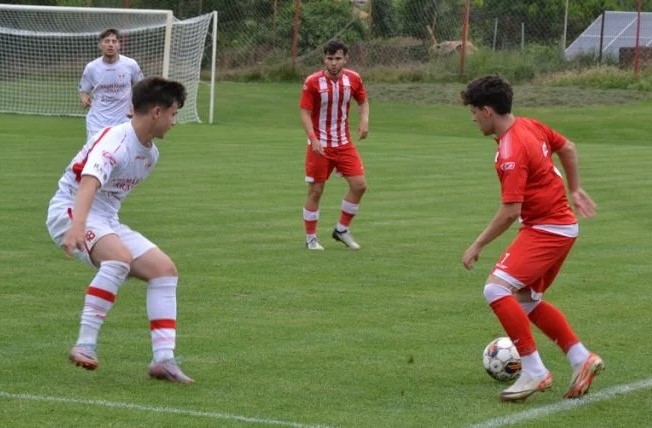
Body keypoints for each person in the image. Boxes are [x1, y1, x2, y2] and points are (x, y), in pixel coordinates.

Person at [460, 75, 604, 402]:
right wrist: (575, 188)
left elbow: (510, 211)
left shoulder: (511, 149)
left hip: (546, 229)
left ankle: (535, 371)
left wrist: (478, 243)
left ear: (487, 111)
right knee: (526, 301)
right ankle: (581, 358)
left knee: (496, 289)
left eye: (473, 112)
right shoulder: (530, 125)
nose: (473, 118)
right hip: (561, 226)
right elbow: (568, 147)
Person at [46, 76, 193, 384]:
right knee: (118, 259)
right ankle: (85, 344)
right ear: (156, 111)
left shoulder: (150, 154)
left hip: (105, 218)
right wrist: (77, 226)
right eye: (173, 113)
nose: (174, 122)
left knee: (164, 270)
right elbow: (88, 183)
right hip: (71, 209)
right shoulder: (116, 141)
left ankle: (163, 360)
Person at [299, 39, 370, 250]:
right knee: (316, 191)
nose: (333, 63)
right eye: (330, 58)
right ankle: (311, 238)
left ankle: (341, 230)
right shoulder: (312, 82)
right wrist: (313, 138)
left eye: (338, 58)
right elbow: (304, 112)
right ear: (324, 59)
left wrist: (364, 120)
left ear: (345, 59)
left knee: (359, 186)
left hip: (343, 143)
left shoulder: (353, 78)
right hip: (320, 145)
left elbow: (363, 100)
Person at [79, 28, 144, 139]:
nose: (110, 45)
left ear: (119, 45)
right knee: (97, 150)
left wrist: (137, 106)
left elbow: (141, 87)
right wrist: (84, 98)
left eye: (114, 41)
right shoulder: (92, 67)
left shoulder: (130, 64)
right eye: (107, 41)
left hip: (124, 121)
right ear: (100, 45)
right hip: (97, 122)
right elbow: (84, 90)